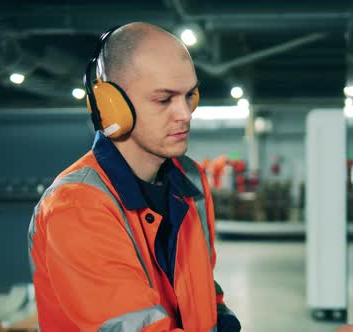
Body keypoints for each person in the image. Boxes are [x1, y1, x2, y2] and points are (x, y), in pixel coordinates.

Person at [27, 22, 240, 332]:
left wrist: (221, 316)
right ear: (110, 106)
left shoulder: (189, 180)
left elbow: (200, 284)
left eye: (190, 95)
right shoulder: (76, 206)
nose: (185, 113)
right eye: (164, 99)